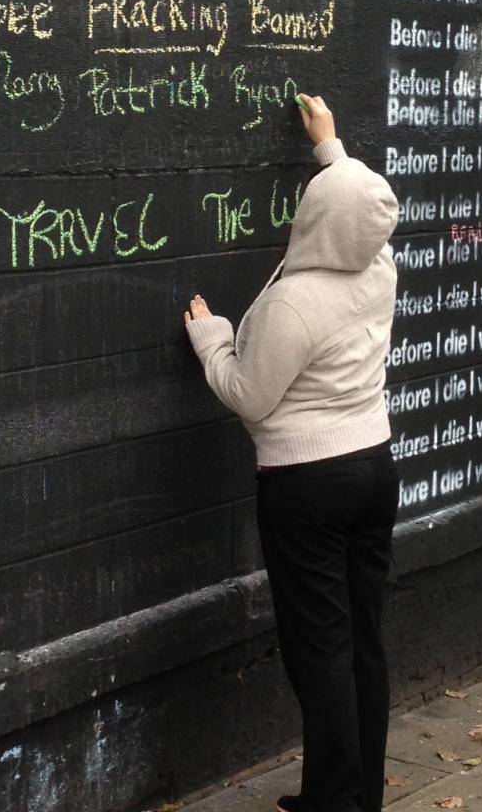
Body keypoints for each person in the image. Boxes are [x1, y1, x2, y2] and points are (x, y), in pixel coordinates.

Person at [184, 93, 400, 812]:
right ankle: (354, 792)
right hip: (374, 467)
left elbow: (248, 394)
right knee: (363, 638)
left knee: (320, 648)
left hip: (306, 485)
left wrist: (212, 337)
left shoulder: (293, 304)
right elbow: (356, 217)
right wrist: (329, 148)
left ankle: (334, 800)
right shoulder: (379, 269)